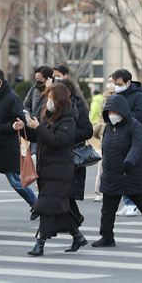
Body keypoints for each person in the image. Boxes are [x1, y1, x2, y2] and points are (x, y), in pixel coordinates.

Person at [13, 83, 88, 256]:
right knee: (60, 206)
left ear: (60, 100)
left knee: (46, 206)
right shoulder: (49, 116)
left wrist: (37, 127)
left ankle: (40, 243)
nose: (49, 102)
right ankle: (77, 236)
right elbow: (40, 138)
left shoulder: (69, 119)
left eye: (52, 99)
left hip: (60, 171)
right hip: (47, 169)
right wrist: (24, 129)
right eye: (48, 98)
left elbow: (57, 141)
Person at [92, 94, 142, 247]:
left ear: (122, 112)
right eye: (109, 112)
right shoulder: (108, 128)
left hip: (130, 173)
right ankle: (107, 237)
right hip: (111, 174)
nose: (112, 115)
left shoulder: (134, 126)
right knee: (107, 209)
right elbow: (106, 150)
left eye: (115, 112)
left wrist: (129, 161)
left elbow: (137, 145)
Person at [0, 68, 38, 219]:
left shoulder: (13, 98)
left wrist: (1, 128)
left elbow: (19, 121)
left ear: (0, 82)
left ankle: (36, 204)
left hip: (6, 148)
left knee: (16, 182)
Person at [110, 69, 142, 217]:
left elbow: (141, 114)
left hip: (133, 136)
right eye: (115, 84)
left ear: (128, 83)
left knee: (131, 171)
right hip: (118, 136)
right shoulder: (116, 96)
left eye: (119, 84)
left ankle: (133, 204)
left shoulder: (138, 95)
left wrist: (122, 115)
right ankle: (127, 202)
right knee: (120, 172)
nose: (116, 86)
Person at [58, 78, 94, 224]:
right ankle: (71, 220)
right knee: (61, 191)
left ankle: (75, 219)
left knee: (68, 191)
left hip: (72, 155)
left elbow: (88, 131)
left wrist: (68, 135)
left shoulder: (77, 106)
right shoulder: (57, 106)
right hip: (58, 154)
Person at [92, 76, 115, 202]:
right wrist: (99, 129)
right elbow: (101, 116)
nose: (110, 84)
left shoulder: (120, 96)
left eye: (113, 82)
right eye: (109, 81)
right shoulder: (105, 96)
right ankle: (100, 191)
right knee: (102, 164)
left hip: (117, 133)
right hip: (105, 132)